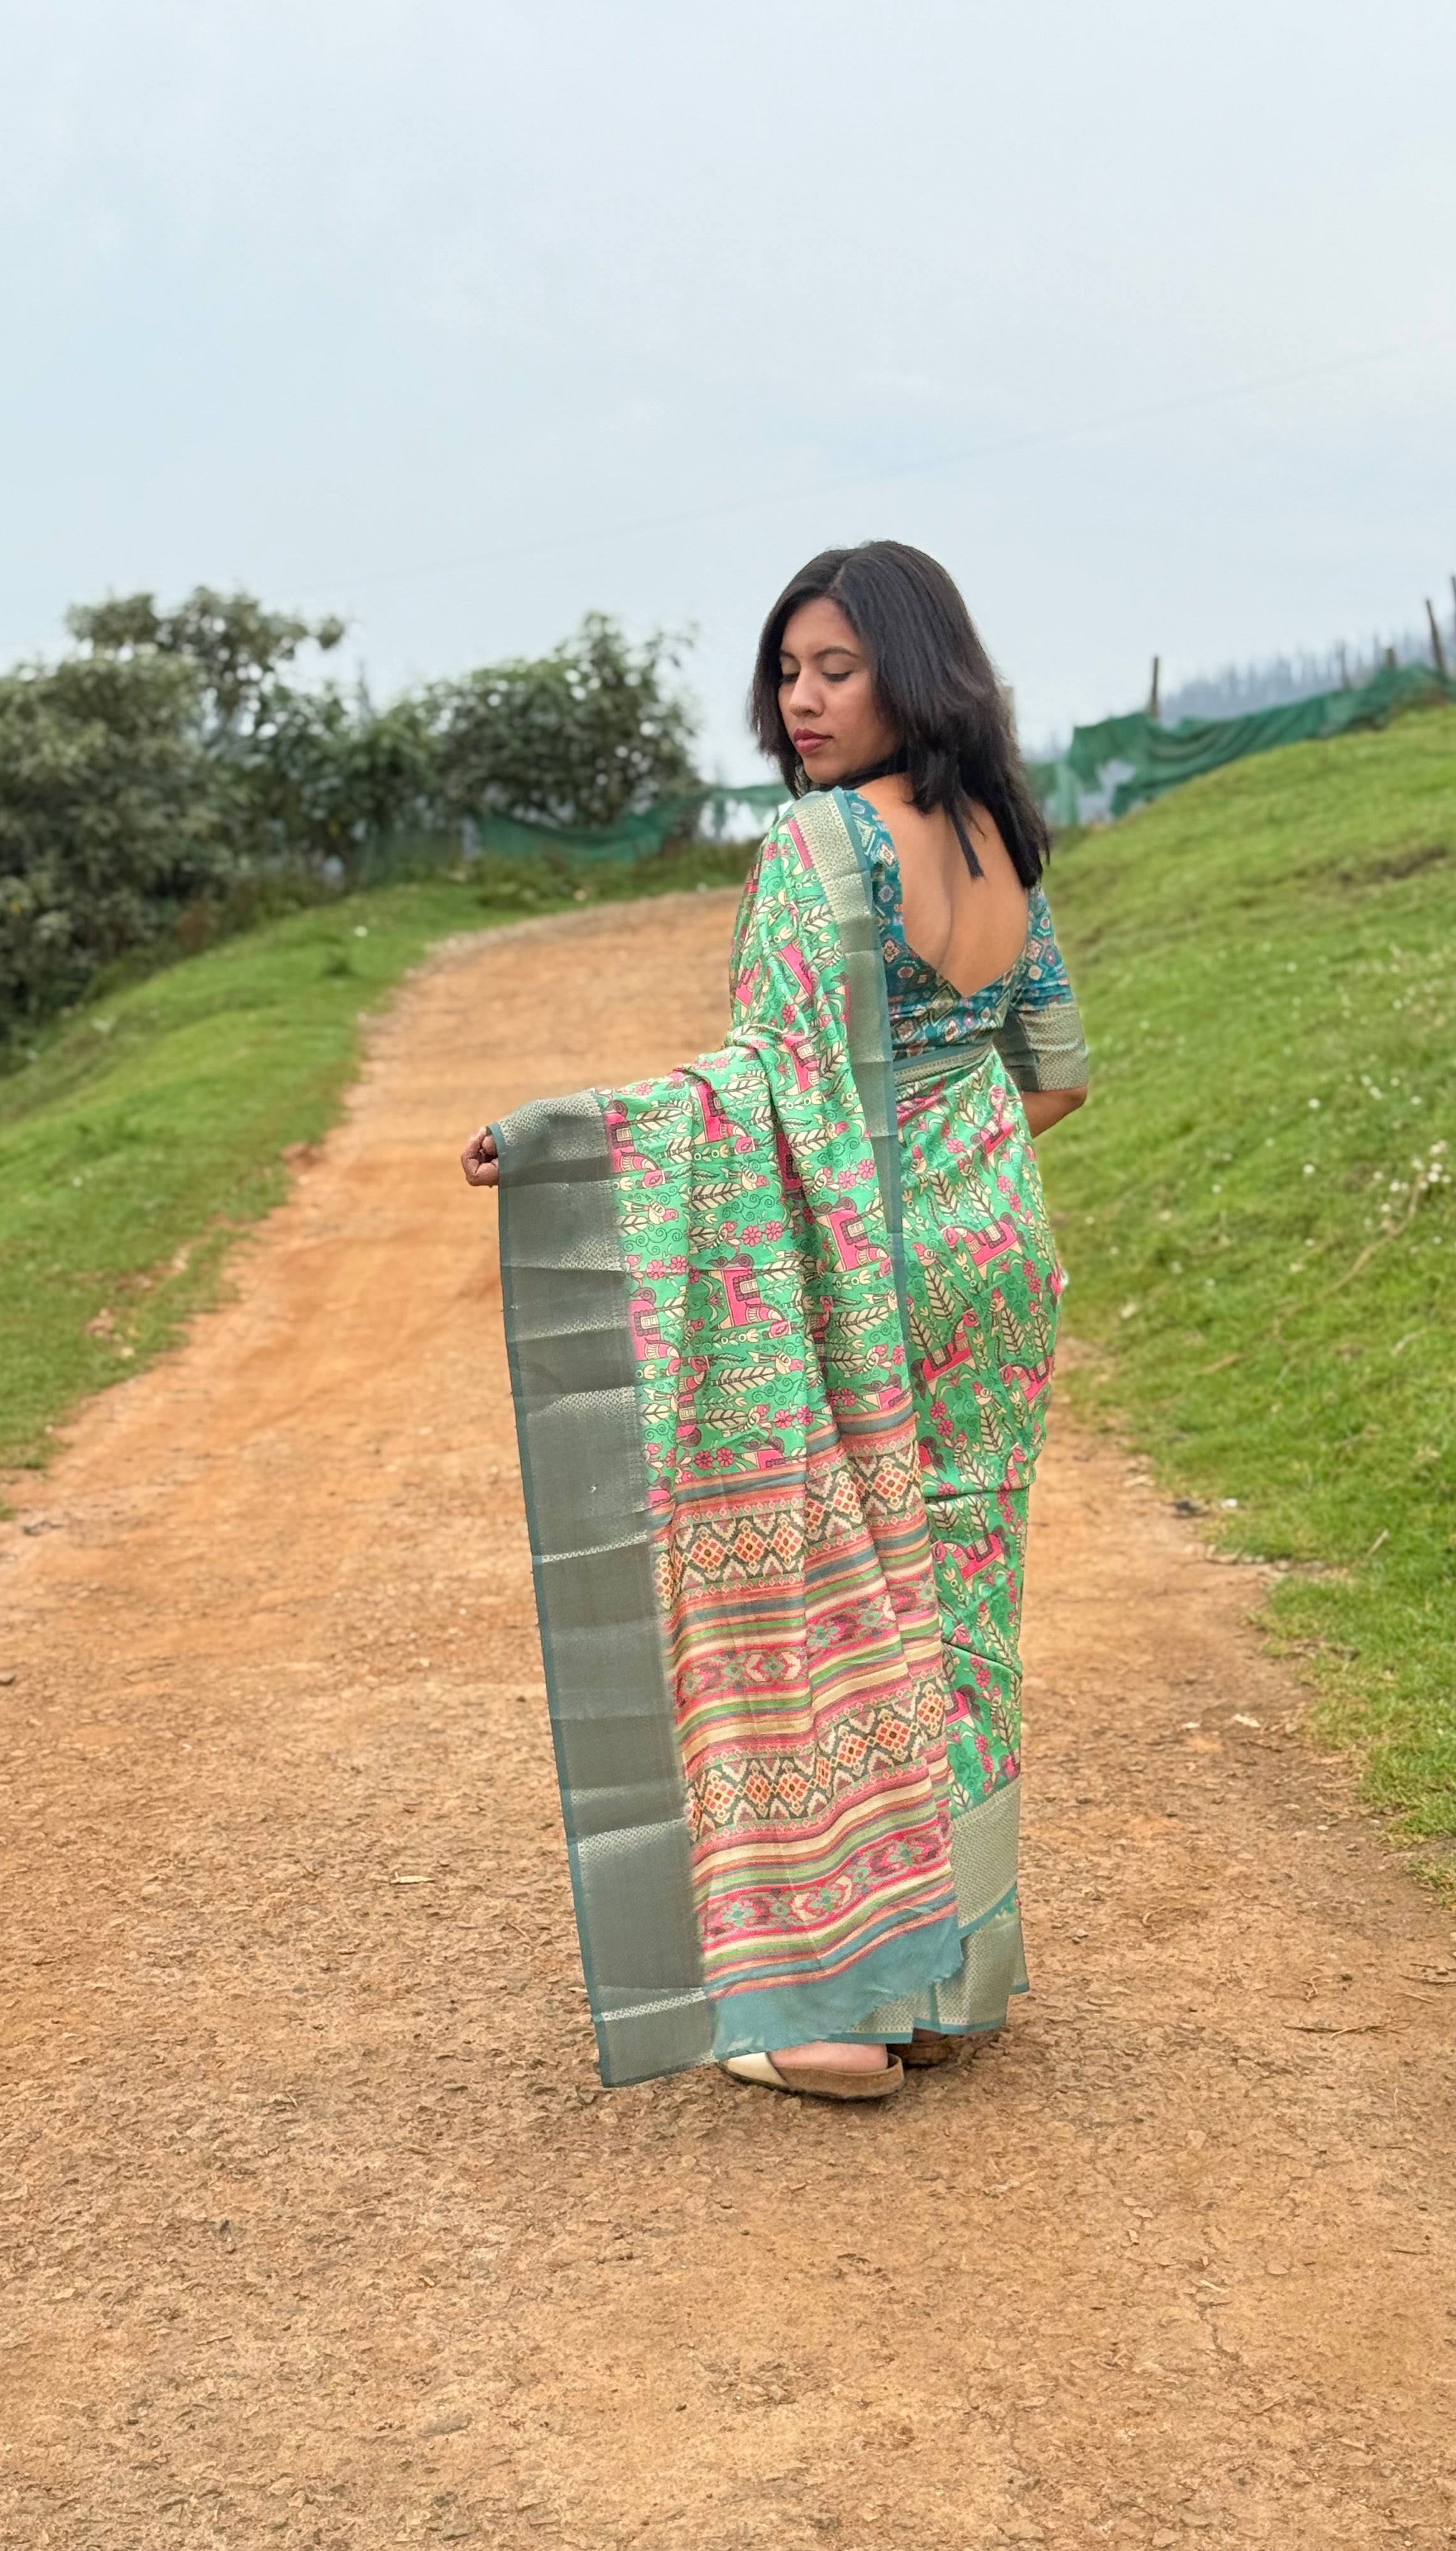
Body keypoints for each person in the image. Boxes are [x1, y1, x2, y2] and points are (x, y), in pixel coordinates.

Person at [461, 542, 1088, 2104]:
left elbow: (765, 1091)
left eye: (837, 671)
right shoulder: (998, 835)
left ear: (911, 670)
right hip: (998, 1256)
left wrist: (574, 1143)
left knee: (849, 1607)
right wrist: (955, 1160)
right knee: (966, 1606)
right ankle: (956, 1989)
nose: (803, 703)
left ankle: (850, 2006)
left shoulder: (819, 849)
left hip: (878, 1277)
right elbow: (1056, 1070)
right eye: (790, 673)